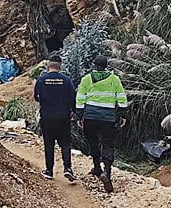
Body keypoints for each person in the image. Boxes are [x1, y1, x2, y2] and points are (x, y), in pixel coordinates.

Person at [75, 55, 128, 193]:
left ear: (94, 65)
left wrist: (79, 116)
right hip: (108, 118)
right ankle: (107, 172)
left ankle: (97, 167)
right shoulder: (114, 79)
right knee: (107, 143)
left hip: (90, 117)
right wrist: (123, 115)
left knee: (93, 142)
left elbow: (80, 98)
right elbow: (122, 97)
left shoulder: (87, 79)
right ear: (106, 66)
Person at [34, 54, 77, 182]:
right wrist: (73, 111)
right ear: (60, 66)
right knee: (65, 143)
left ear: (48, 65)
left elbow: (36, 97)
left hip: (47, 116)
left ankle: (49, 171)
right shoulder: (66, 80)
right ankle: (68, 168)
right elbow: (73, 97)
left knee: (49, 144)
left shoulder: (41, 79)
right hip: (63, 116)